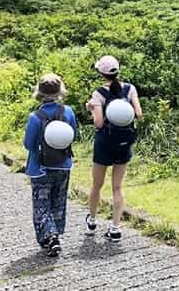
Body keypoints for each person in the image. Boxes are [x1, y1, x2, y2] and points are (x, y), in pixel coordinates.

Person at [84, 55, 142, 241]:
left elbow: (99, 123)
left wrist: (91, 109)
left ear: (100, 73)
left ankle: (92, 220)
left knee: (97, 185)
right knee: (117, 187)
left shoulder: (99, 93)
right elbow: (138, 114)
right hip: (124, 141)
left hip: (104, 143)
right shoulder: (130, 88)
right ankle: (115, 228)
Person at [23, 73, 78, 256]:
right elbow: (73, 136)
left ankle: (50, 237)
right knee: (59, 201)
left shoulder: (35, 117)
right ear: (60, 91)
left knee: (41, 203)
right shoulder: (68, 112)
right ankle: (55, 234)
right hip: (63, 165)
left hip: (40, 168)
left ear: (39, 92)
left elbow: (28, 144)